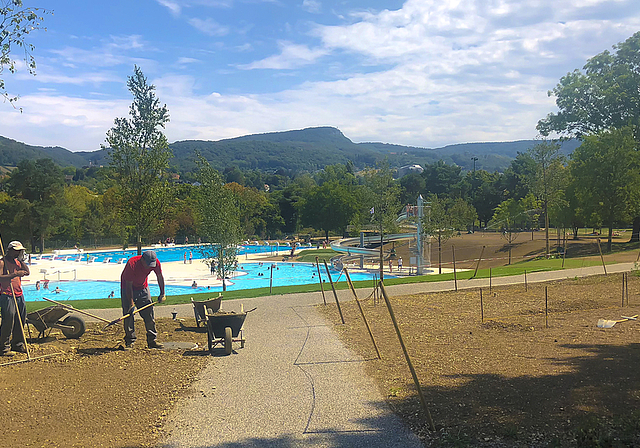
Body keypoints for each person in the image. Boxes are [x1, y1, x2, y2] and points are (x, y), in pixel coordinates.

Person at [120, 250, 166, 349]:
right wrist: (131, 304)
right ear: (142, 260)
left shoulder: (155, 263)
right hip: (127, 288)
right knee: (129, 315)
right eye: (148, 264)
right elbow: (128, 286)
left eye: (151, 265)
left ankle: (152, 340)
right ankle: (130, 341)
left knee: (149, 314)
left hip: (143, 287)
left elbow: (159, 277)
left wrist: (162, 293)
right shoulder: (132, 264)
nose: (150, 267)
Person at [0, 241, 30, 355]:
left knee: (21, 319)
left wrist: (22, 261)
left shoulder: (18, 262)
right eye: (16, 251)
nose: (18, 253)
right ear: (10, 250)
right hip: (7, 294)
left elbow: (27, 272)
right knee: (8, 320)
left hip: (18, 294)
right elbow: (0, 277)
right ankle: (4, 347)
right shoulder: (3, 262)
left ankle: (17, 344)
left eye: (20, 251)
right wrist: (15, 274)